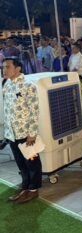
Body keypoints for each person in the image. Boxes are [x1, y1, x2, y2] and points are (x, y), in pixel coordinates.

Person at [3, 58, 41, 204]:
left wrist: (32, 133)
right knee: (20, 163)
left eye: (7, 67)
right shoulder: (7, 84)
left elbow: (34, 111)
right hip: (12, 134)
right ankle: (25, 187)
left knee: (32, 162)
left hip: (25, 133)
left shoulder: (28, 85)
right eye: (3, 67)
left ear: (18, 68)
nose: (4, 70)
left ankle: (33, 189)